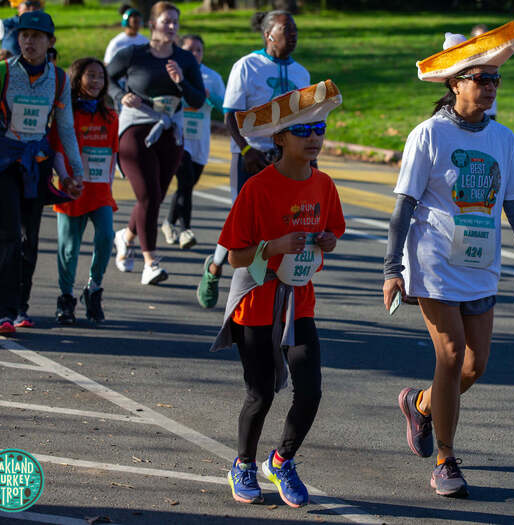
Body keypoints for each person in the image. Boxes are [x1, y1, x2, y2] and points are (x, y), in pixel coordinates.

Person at [383, 23, 514, 498]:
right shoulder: (428, 135)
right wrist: (392, 269)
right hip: (434, 262)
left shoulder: (503, 139)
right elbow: (404, 206)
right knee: (452, 354)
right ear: (455, 82)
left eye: (494, 79)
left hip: (480, 265)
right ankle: (445, 459)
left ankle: (420, 404)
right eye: (480, 78)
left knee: (475, 367)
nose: (489, 87)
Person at [210, 80, 345, 508]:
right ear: (280, 138)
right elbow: (234, 256)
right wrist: (272, 248)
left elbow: (334, 233)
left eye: (319, 129)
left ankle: (281, 460)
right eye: (303, 131)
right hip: (256, 302)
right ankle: (244, 464)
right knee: (261, 393)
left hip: (299, 302)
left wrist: (325, 241)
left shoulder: (323, 185)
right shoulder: (258, 188)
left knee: (310, 391)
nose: (314, 139)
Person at [0, 11, 83, 334]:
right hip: (4, 161)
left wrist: (74, 173)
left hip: (36, 165)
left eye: (36, 36)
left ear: (50, 42)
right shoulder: (3, 72)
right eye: (24, 35)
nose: (28, 41)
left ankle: (21, 304)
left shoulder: (60, 79)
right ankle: (2, 311)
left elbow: (65, 129)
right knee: (9, 234)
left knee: (29, 238)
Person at [196, 9, 309, 309]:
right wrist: (246, 150)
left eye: (295, 29)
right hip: (249, 153)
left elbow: (305, 119)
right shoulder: (247, 66)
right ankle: (215, 267)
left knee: (282, 220)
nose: (294, 34)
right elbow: (230, 114)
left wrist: (308, 160)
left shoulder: (301, 73)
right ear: (268, 33)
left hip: (287, 157)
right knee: (242, 219)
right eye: (287, 29)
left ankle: (273, 285)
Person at [106, 1, 204, 285]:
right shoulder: (134, 54)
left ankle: (125, 236)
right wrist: (120, 95)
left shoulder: (185, 60)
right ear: (153, 24)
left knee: (155, 196)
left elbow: (197, 100)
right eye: (166, 21)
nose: (171, 27)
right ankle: (151, 262)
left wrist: (181, 81)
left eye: (175, 22)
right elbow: (107, 79)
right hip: (136, 129)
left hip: (170, 132)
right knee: (148, 195)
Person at [51, 58, 118, 325]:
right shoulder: (65, 113)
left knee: (106, 235)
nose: (96, 82)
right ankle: (66, 299)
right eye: (90, 76)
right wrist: (65, 179)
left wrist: (109, 186)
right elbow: (56, 149)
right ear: (77, 79)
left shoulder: (111, 117)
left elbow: (112, 155)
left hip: (99, 190)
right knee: (69, 248)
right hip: (71, 188)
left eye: (100, 77)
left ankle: (93, 289)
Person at [161, 34, 225, 250]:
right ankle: (186, 230)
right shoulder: (172, 74)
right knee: (186, 180)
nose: (195, 54)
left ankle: (169, 222)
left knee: (187, 184)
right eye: (190, 50)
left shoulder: (212, 77)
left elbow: (223, 105)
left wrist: (208, 98)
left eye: (199, 50)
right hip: (179, 137)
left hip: (200, 139)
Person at [470, 24, 497, 120]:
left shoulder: (494, 60)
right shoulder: (467, 62)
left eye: (486, 39)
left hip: (489, 110)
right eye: (479, 39)